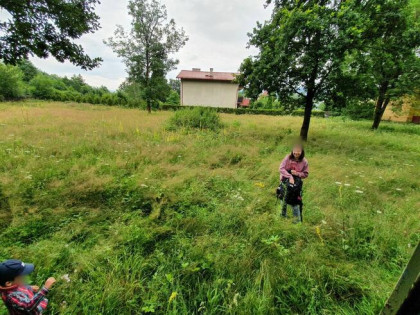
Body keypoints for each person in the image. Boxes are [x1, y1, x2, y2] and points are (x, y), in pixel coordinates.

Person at [278, 144, 309, 223]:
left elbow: (305, 174)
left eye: (298, 151)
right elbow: (281, 169)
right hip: (285, 181)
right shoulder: (287, 157)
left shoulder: (304, 161)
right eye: (295, 151)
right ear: (292, 151)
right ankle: (282, 217)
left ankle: (297, 222)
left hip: (296, 186)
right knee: (283, 199)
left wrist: (297, 173)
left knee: (295, 202)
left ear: (302, 152)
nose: (296, 153)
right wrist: (290, 176)